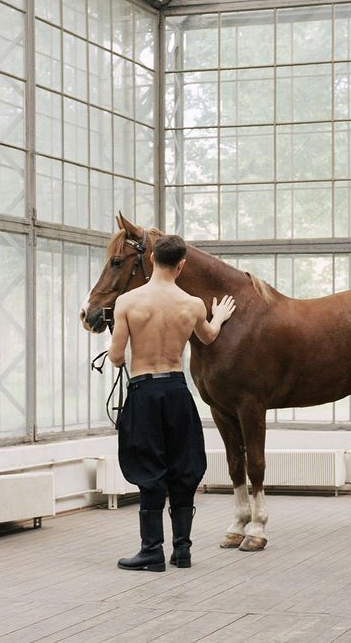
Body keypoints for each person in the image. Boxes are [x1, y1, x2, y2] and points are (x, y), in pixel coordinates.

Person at [108, 234, 236, 572]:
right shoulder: (192, 304)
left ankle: (151, 551)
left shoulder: (128, 302)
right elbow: (208, 336)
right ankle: (183, 550)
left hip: (144, 392)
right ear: (181, 265)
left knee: (148, 468)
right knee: (183, 466)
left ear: (151, 260)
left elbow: (117, 357)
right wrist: (219, 316)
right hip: (178, 392)